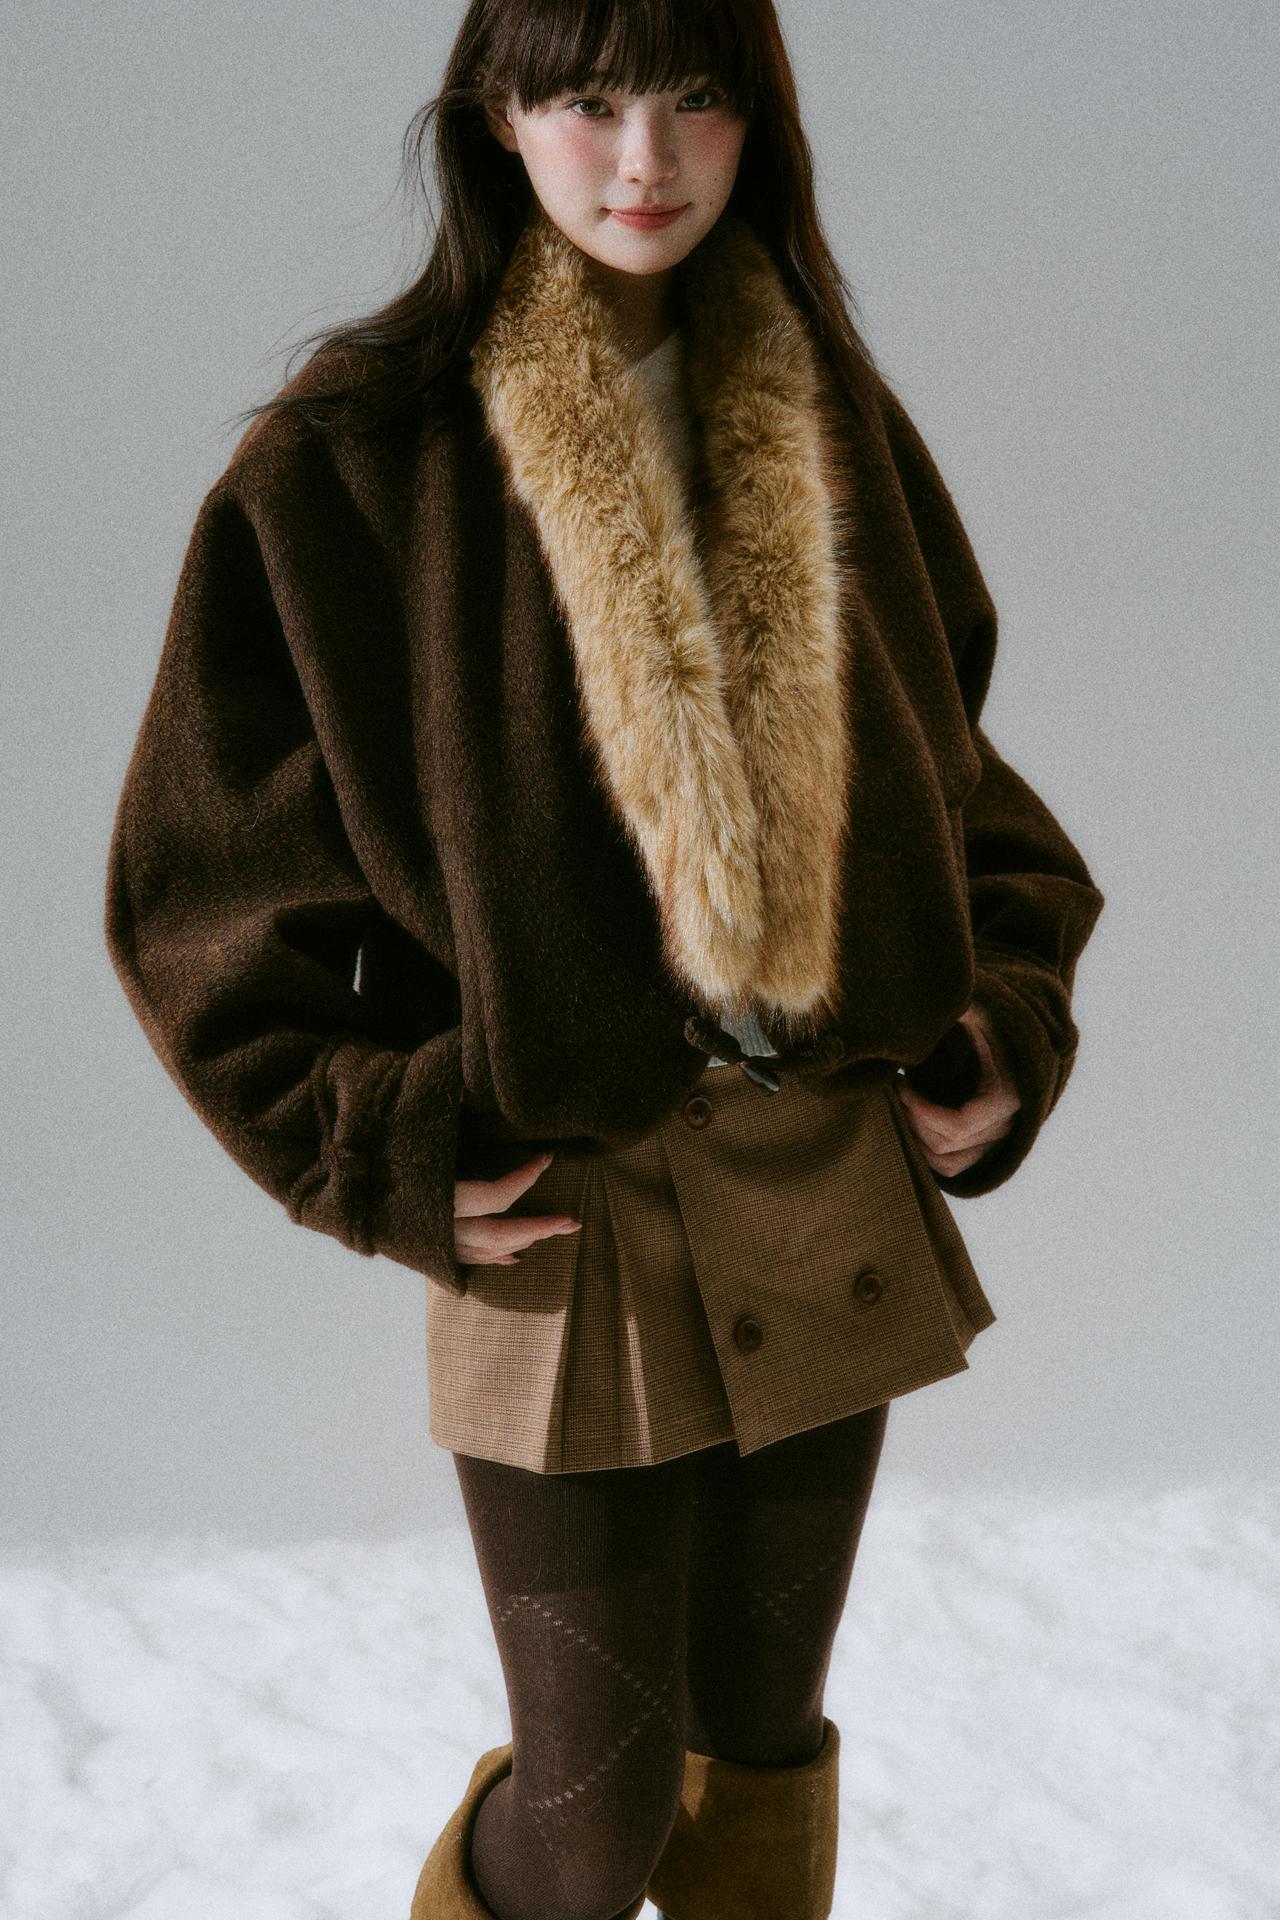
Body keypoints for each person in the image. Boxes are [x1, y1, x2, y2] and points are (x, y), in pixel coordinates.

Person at [103, 4, 1105, 1917]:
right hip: (560, 1206)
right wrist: (376, 1139)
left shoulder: (822, 409)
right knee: (595, 1813)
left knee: (767, 1754)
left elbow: (952, 769)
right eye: (587, 97)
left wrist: (1003, 1013)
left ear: (756, 121)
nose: (646, 158)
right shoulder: (352, 451)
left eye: (697, 96)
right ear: (499, 115)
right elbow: (195, 885)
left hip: (825, 1174)